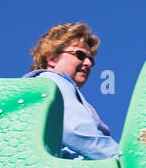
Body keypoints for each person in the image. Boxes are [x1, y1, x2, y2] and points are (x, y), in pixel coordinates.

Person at [24, 22, 118, 160]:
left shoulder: (37, 87)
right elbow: (77, 131)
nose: (88, 63)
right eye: (80, 55)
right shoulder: (53, 82)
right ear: (52, 59)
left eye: (91, 60)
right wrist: (123, 161)